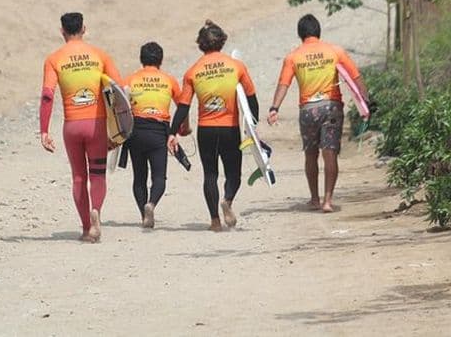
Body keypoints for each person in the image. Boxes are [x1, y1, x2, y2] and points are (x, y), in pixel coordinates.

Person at [266, 14, 369, 213]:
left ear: (300, 34)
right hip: (331, 107)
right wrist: (366, 101)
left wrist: (274, 108)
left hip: (308, 111)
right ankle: (328, 201)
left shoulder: (293, 57)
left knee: (310, 154)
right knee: (330, 153)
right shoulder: (335, 51)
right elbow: (355, 77)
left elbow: (283, 84)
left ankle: (314, 199)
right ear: (318, 32)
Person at [168, 20, 259, 232]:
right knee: (233, 174)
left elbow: (183, 107)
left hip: (206, 130)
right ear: (222, 41)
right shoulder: (236, 66)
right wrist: (253, 125)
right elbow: (251, 98)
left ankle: (215, 221)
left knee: (210, 175)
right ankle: (227, 200)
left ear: (201, 44)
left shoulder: (193, 71)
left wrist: (173, 132)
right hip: (230, 129)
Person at [40, 12, 122, 242]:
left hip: (72, 126)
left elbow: (47, 96)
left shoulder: (54, 59)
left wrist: (44, 130)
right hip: (96, 125)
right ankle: (96, 210)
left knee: (78, 177)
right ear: (84, 29)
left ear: (62, 31)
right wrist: (119, 129)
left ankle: (87, 228)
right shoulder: (99, 55)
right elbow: (119, 90)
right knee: (97, 174)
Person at [123, 42, 183, 229]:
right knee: (159, 177)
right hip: (158, 131)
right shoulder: (169, 80)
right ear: (161, 60)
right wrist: (181, 129)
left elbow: (118, 104)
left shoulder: (131, 79)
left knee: (139, 177)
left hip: (136, 130)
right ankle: (152, 204)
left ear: (141, 60)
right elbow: (183, 106)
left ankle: (144, 214)